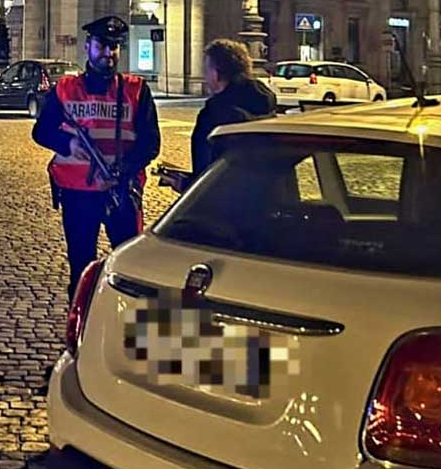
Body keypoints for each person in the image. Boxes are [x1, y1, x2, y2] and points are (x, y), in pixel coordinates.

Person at [32, 16, 161, 298]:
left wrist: (123, 170)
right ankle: (80, 330)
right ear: (88, 46)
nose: (109, 53)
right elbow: (41, 132)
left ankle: (127, 329)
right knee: (80, 266)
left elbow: (151, 143)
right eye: (102, 45)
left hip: (122, 192)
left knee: (129, 267)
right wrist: (68, 144)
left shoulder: (136, 90)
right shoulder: (66, 89)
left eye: (115, 47)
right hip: (78, 194)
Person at [161, 38, 276, 193]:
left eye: (207, 69)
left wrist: (184, 184)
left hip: (226, 209)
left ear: (217, 73)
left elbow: (211, 178)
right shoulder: (266, 106)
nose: (205, 76)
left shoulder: (214, 115)